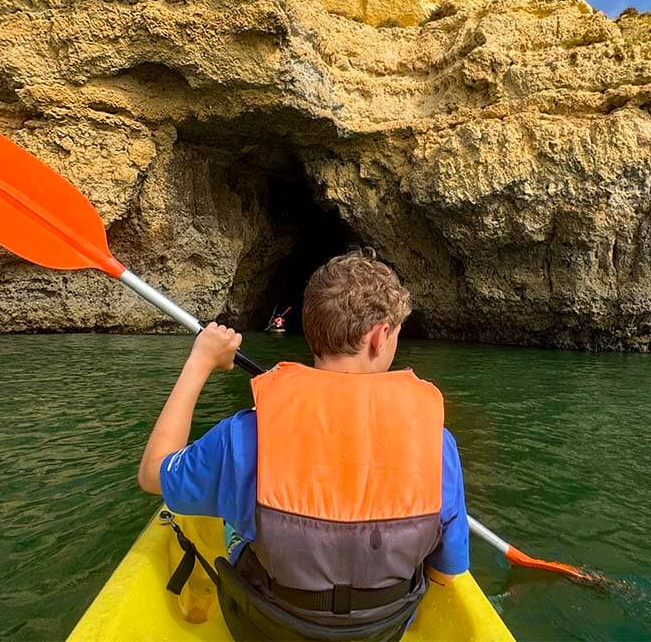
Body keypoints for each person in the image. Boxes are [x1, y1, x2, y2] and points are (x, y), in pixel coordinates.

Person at [137, 250, 469, 641]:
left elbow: (152, 473)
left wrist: (200, 361)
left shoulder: (245, 433)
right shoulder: (436, 443)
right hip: (381, 632)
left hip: (266, 628)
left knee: (234, 514)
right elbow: (445, 574)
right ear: (380, 337)